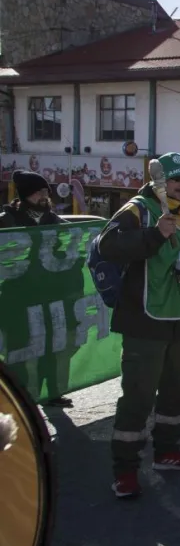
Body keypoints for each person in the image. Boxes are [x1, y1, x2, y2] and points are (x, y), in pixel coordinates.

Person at [97, 152, 180, 499]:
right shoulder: (138, 209)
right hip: (145, 322)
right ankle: (125, 471)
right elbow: (108, 245)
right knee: (138, 399)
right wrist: (154, 234)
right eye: (177, 179)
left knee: (176, 393)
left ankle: (167, 453)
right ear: (160, 181)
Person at [0, 170, 73, 408]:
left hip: (50, 296)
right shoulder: (6, 221)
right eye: (38, 192)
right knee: (21, 349)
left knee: (53, 345)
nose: (44, 196)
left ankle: (53, 392)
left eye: (46, 192)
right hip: (17, 299)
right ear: (24, 195)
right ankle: (20, 399)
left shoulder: (55, 221)